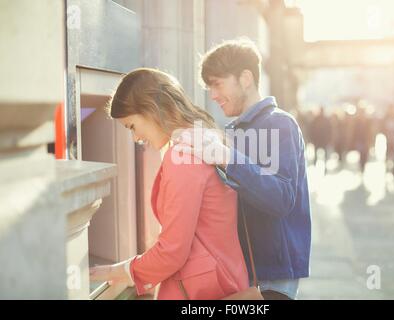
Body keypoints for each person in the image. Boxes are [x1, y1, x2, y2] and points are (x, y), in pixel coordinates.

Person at [89, 68, 249, 300]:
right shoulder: (200, 139)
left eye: (132, 126)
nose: (135, 138)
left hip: (202, 291)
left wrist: (122, 271)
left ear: (150, 109)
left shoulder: (183, 156)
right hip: (220, 280)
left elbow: (172, 251)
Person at [175, 39, 312, 300]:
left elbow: (282, 198)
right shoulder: (232, 132)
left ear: (246, 78)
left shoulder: (279, 124)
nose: (213, 95)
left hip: (271, 277)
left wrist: (226, 158)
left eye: (217, 83)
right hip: (239, 272)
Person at [381, 105, 394, 179]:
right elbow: (382, 127)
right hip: (388, 139)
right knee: (387, 153)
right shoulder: (386, 117)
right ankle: (387, 167)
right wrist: (386, 134)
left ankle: (393, 170)